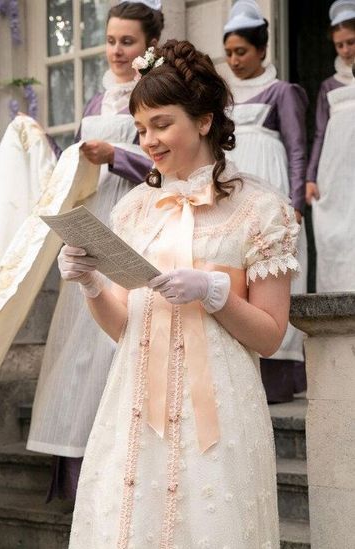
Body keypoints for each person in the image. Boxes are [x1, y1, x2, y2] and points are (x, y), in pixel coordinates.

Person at [62, 40, 296, 546]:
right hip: (135, 407)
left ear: (205, 121)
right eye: (141, 128)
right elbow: (123, 327)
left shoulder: (262, 211)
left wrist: (216, 293)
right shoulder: (132, 211)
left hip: (220, 411)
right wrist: (92, 284)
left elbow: (270, 337)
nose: (148, 141)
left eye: (161, 124)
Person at [27, 0, 160, 502]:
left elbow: (164, 167)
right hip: (92, 218)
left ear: (148, 45)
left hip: (135, 217)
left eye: (128, 41)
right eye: (111, 40)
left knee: (119, 333)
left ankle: (124, 466)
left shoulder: (153, 92)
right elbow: (77, 165)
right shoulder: (96, 100)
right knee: (79, 341)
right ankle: (77, 467)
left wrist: (116, 156)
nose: (117, 50)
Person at [218, 0, 309, 403]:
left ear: (261, 50)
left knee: (270, 271)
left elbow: (297, 148)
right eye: (229, 53)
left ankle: (278, 376)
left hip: (272, 189)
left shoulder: (282, 93)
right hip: (236, 192)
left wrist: (296, 202)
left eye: (242, 51)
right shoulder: (223, 98)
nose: (234, 60)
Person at [307, 0, 355, 292]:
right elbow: (320, 133)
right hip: (335, 172)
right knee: (338, 236)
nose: (346, 50)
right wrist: (311, 176)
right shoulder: (329, 85)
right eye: (340, 45)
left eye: (351, 42)